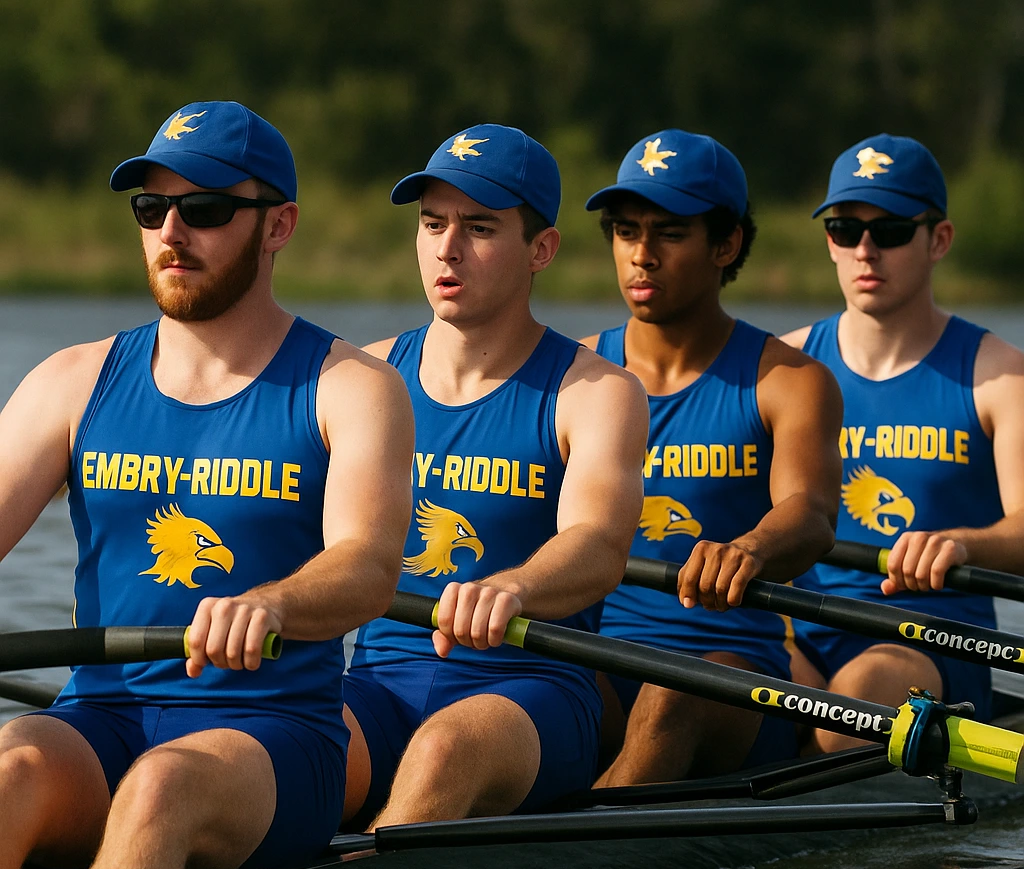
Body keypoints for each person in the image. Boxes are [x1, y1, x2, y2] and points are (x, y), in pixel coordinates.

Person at [0, 101, 414, 869]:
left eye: (207, 209)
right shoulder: (73, 380)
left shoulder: (351, 388)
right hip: (103, 719)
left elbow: (367, 567)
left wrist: (269, 602)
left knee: (162, 790)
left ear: (279, 225)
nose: (171, 232)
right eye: (151, 209)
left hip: (273, 735)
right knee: (11, 765)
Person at [342, 124, 648, 828]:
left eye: (479, 227)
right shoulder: (363, 376)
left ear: (540, 249)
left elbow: (599, 545)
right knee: (258, 741)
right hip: (378, 682)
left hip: (531, 689)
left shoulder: (596, 392)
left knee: (445, 750)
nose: (447, 248)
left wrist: (512, 586)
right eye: (432, 224)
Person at [579, 129, 842, 784]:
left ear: (726, 245)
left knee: (674, 693)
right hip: (594, 655)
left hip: (729, 676)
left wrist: (750, 548)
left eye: (669, 233)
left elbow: (809, 514)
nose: (641, 255)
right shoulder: (574, 375)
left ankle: (553, 861)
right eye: (625, 230)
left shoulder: (789, 381)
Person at [784, 133, 1024, 749]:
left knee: (841, 719)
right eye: (844, 229)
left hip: (928, 640)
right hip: (798, 628)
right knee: (691, 686)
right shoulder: (779, 367)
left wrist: (962, 544)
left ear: (937, 240)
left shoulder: (1000, 377)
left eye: (889, 231)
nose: (865, 250)